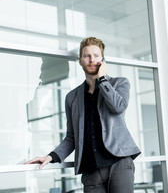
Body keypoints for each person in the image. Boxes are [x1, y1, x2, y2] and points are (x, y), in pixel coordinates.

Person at [25, 37, 141, 193]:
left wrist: (102, 79)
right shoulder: (72, 97)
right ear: (80, 61)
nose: (92, 59)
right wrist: (52, 156)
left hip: (118, 164)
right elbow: (72, 137)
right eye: (87, 56)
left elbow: (118, 107)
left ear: (103, 59)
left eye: (96, 55)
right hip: (91, 171)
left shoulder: (119, 83)